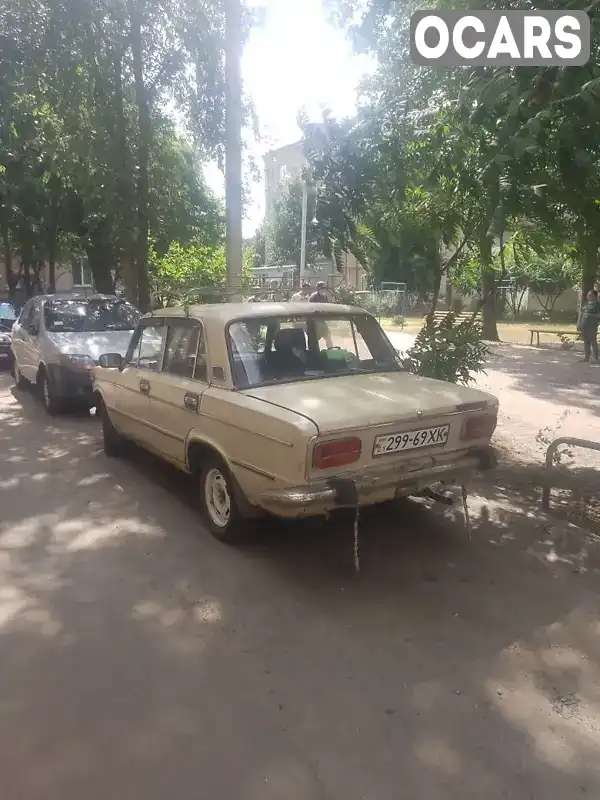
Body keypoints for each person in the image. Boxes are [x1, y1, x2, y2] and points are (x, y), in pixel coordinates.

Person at [577, 288, 600, 363]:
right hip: (584, 326)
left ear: (594, 296)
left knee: (593, 342)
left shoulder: (597, 304)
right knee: (586, 342)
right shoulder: (586, 304)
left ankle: (596, 358)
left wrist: (590, 315)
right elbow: (581, 314)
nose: (588, 296)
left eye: (590, 295)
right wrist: (578, 324)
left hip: (592, 326)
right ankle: (586, 357)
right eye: (588, 295)